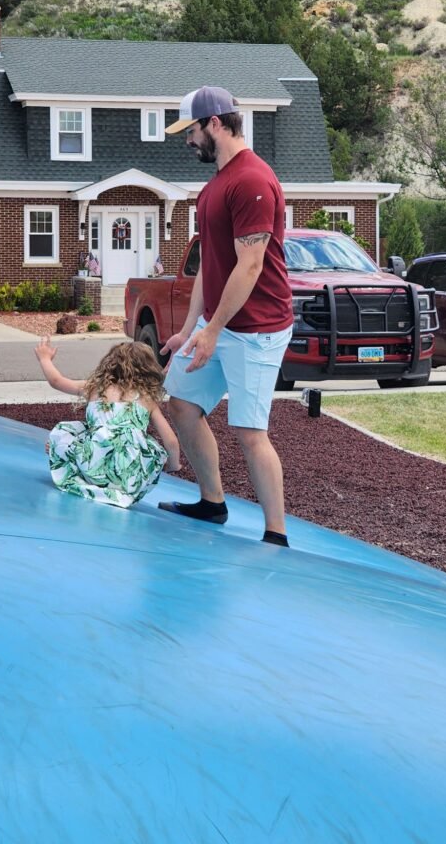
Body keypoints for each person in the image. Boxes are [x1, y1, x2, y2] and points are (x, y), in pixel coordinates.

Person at [159, 86, 294, 546]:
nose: (188, 140)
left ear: (216, 123)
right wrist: (188, 330)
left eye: (191, 131)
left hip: (256, 329)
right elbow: (210, 267)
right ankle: (212, 503)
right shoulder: (214, 185)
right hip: (217, 325)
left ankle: (276, 535)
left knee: (249, 430)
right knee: (181, 402)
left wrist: (213, 330)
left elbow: (251, 265)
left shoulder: (252, 180)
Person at [34, 338, 181, 508]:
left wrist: (44, 358)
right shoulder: (146, 399)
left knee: (65, 431)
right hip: (127, 475)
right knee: (151, 449)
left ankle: (69, 460)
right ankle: (118, 490)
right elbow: (170, 440)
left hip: (91, 466)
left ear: (109, 364)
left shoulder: (95, 388)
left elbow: (57, 381)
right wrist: (173, 465)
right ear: (148, 370)